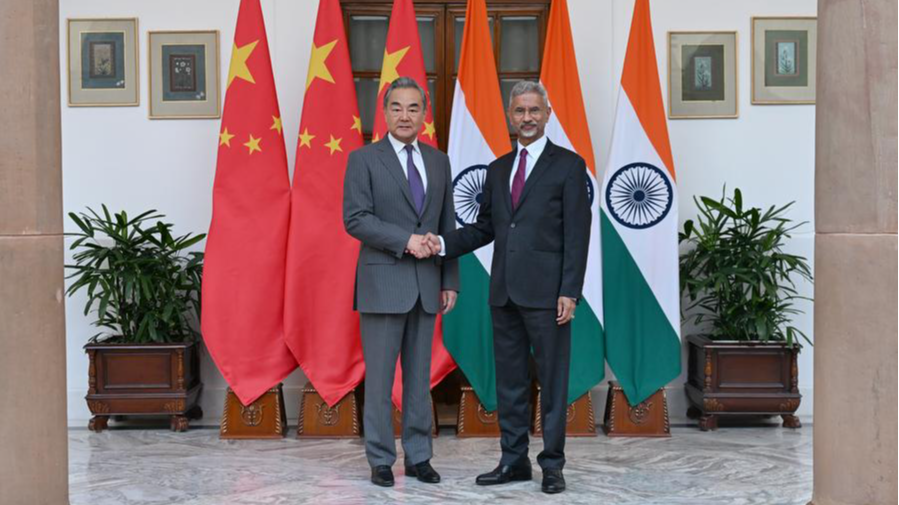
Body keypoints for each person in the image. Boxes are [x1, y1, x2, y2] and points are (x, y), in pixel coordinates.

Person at [427, 81, 591, 494]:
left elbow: (578, 234)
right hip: (504, 294)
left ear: (548, 114)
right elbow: (486, 228)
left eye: (534, 110)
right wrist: (442, 243)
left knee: (553, 383)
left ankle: (552, 465)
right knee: (511, 384)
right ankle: (513, 461)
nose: (527, 118)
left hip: (550, 296)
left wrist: (570, 291)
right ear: (510, 115)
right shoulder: (498, 169)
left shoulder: (569, 166)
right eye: (520, 111)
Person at [343, 77, 459, 488]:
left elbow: (447, 224)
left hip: (427, 286)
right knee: (378, 380)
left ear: (424, 114)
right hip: (382, 285)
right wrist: (406, 241)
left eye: (413, 108)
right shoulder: (363, 159)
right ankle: (380, 459)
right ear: (385, 112)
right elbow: (356, 219)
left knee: (418, 379)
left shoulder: (439, 161)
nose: (405, 115)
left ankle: (419, 457)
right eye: (397, 107)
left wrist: (450, 279)